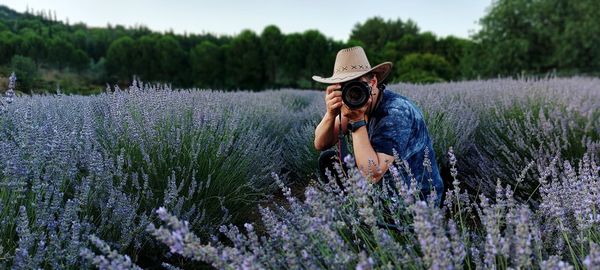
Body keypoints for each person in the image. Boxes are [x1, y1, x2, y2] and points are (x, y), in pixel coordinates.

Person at [312, 46, 444, 205]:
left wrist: (357, 121)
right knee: (328, 159)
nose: (353, 93)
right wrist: (330, 114)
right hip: (383, 186)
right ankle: (355, 208)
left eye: (357, 85)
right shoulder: (351, 104)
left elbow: (372, 175)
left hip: (415, 199)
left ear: (373, 82)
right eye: (345, 86)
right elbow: (320, 143)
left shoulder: (395, 111)